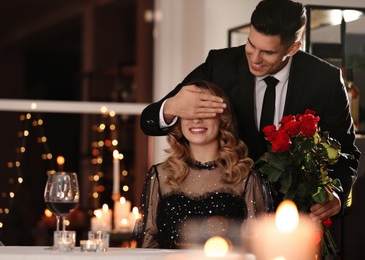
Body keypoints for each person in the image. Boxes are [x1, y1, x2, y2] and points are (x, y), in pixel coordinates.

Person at [140, 0, 360, 223]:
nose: (255, 58)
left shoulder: (325, 80)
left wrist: (338, 196)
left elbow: (347, 152)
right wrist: (170, 108)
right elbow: (149, 120)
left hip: (295, 217)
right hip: (231, 213)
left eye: (267, 52)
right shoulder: (221, 65)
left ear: (293, 48)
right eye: (250, 45)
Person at [133, 81, 272, 249]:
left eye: (205, 111)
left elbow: (257, 248)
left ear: (222, 119)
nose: (197, 119)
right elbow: (148, 245)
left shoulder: (246, 177)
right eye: (190, 112)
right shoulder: (160, 175)